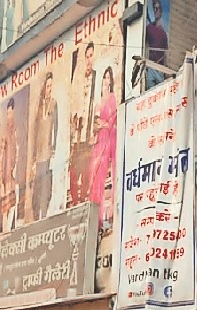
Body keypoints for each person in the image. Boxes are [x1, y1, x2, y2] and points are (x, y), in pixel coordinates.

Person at [87, 66, 117, 227]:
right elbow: (95, 124)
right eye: (104, 78)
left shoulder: (112, 98)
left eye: (108, 78)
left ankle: (111, 213)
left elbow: (112, 121)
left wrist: (103, 124)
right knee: (95, 175)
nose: (106, 81)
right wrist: (101, 125)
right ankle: (96, 218)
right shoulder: (98, 102)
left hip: (111, 140)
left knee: (111, 175)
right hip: (101, 140)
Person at [69, 41, 96, 206]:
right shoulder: (79, 80)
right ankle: (75, 201)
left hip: (89, 137)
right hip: (77, 137)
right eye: (86, 56)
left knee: (86, 172)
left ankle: (84, 201)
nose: (88, 60)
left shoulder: (97, 76)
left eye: (91, 56)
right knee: (74, 172)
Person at [29, 71, 58, 222]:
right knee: (37, 188)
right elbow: (34, 132)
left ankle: (44, 216)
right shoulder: (39, 107)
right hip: (38, 154)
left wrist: (53, 148)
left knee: (47, 187)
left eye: (51, 86)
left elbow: (56, 127)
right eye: (47, 86)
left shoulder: (53, 104)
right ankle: (36, 217)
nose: (49, 89)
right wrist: (33, 158)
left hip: (48, 152)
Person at [0, 97, 20, 233]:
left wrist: (16, 169)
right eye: (7, 113)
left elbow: (18, 150)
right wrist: (0, 181)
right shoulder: (4, 133)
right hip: (5, 177)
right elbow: (1, 158)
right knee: (4, 208)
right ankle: (5, 232)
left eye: (11, 113)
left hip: (13, 175)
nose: (9, 116)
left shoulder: (16, 130)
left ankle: (11, 232)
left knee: (13, 204)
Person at [146, 0, 169, 88]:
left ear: (161, 10)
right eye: (155, 9)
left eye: (158, 8)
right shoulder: (150, 28)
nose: (157, 11)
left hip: (160, 68)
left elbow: (166, 53)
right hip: (151, 66)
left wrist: (166, 72)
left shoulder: (164, 33)